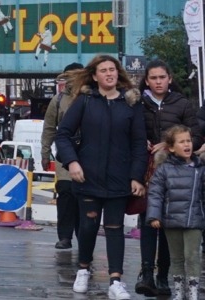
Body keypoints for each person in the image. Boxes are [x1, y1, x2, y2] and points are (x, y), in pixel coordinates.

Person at [56, 54, 147, 300]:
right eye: (104, 70)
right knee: (88, 226)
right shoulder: (85, 101)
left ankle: (116, 281)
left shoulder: (131, 104)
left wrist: (136, 176)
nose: (109, 74)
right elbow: (62, 134)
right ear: (95, 76)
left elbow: (139, 144)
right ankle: (83, 269)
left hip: (119, 178)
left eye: (113, 70)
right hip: (87, 178)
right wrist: (72, 162)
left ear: (118, 74)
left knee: (115, 228)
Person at [137, 60, 199, 296]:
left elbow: (195, 134)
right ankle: (146, 273)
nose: (158, 81)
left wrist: (170, 143)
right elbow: (129, 129)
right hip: (146, 170)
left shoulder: (182, 104)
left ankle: (163, 275)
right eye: (153, 78)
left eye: (162, 77)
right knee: (147, 220)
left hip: (175, 173)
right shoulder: (138, 104)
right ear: (147, 80)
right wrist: (139, 140)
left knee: (166, 225)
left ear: (169, 79)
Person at [146, 125, 205, 300]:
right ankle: (179, 292)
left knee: (192, 256)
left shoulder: (200, 168)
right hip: (171, 220)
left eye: (189, 141)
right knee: (176, 257)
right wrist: (154, 215)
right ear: (171, 147)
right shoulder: (164, 169)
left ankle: (193, 292)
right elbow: (156, 193)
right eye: (182, 142)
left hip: (194, 220)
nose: (187, 144)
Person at [41, 62, 84, 250]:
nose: (71, 80)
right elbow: (49, 128)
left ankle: (84, 237)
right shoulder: (58, 101)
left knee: (84, 198)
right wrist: (45, 153)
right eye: (69, 76)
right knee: (66, 194)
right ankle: (65, 236)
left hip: (88, 155)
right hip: (65, 156)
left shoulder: (91, 96)